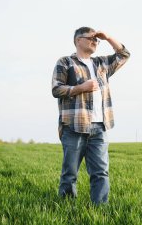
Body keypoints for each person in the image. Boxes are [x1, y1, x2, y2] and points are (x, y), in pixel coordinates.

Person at [51, 27, 130, 204]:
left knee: (101, 172)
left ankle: (100, 210)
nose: (95, 41)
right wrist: (81, 88)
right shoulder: (65, 62)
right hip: (74, 126)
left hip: (100, 127)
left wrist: (108, 37)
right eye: (91, 38)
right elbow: (56, 89)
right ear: (78, 40)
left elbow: (124, 54)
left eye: (97, 39)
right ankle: (66, 206)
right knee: (70, 172)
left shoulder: (101, 64)